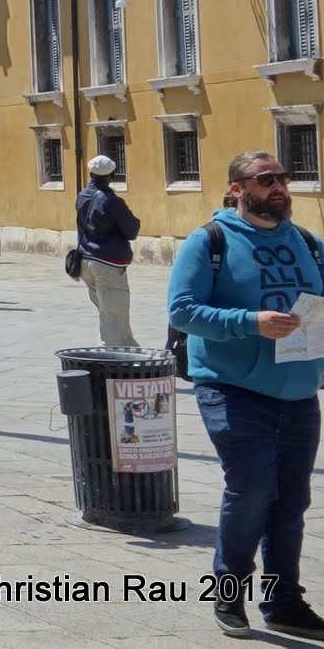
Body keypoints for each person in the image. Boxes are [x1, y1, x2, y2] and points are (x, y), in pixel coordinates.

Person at [168, 149, 324, 638]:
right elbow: (183, 311)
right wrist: (249, 322)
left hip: (298, 389)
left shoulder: (307, 241)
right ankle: (229, 593)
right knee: (252, 490)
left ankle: (282, 602)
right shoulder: (208, 241)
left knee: (292, 499)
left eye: (282, 177)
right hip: (232, 387)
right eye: (264, 179)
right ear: (237, 188)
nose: (278, 186)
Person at [74, 154, 140, 348]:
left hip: (86, 260)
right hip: (107, 262)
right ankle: (108, 356)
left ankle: (129, 349)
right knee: (113, 314)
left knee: (111, 313)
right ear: (112, 174)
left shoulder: (82, 195)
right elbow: (132, 229)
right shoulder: (111, 201)